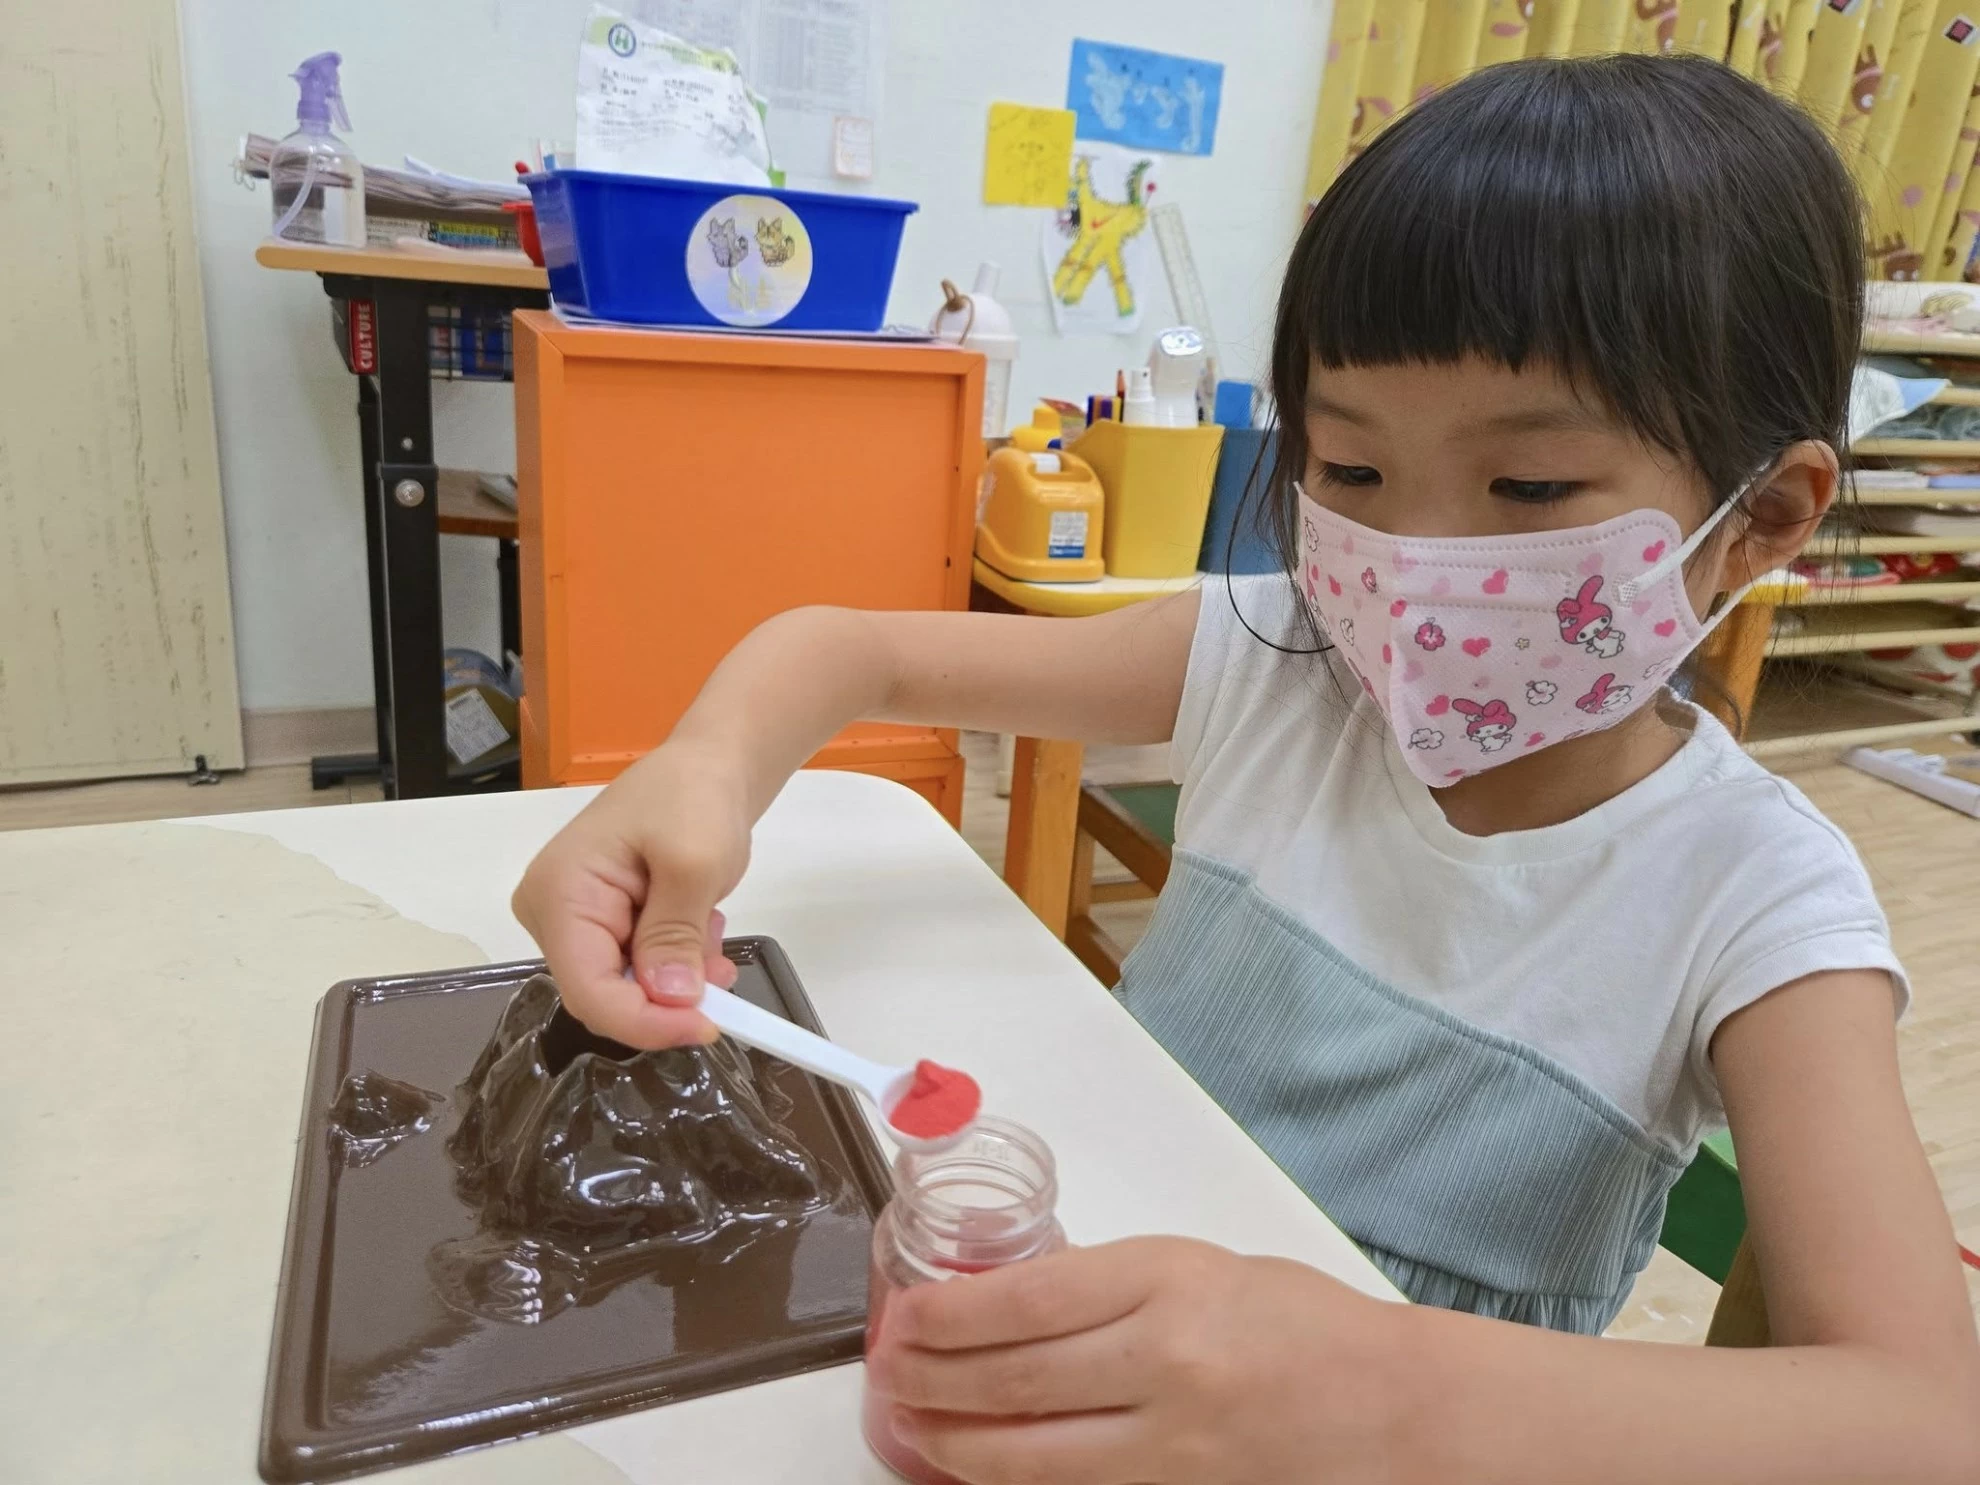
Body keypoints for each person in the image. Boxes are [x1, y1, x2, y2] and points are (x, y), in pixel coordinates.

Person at [511, 55, 1980, 1483]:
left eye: (1529, 488)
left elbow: (1925, 1421)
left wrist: (1383, 1395)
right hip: (1091, 1344)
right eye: (1348, 472)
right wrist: (701, 768)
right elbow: (843, 649)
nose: (1412, 565)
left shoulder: (1758, 904)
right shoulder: (1279, 659)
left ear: (1763, 518)